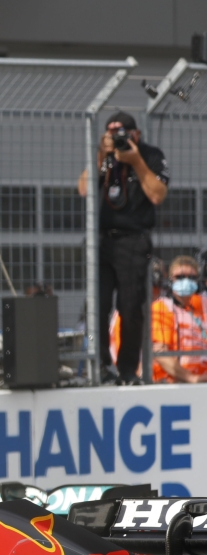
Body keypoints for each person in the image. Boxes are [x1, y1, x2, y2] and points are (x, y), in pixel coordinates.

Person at [78, 111, 169, 385]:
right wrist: (99, 157)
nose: (116, 138)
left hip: (133, 240)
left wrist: (135, 161)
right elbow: (83, 189)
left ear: (135, 134)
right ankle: (101, 364)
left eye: (121, 132)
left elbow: (157, 194)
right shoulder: (102, 159)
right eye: (111, 133)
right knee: (97, 306)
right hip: (101, 239)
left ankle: (128, 369)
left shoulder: (149, 155)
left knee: (130, 307)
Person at [149, 255, 207, 383]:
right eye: (180, 277)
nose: (186, 281)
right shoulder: (162, 307)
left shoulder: (202, 304)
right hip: (170, 383)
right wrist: (192, 378)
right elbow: (160, 353)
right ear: (169, 280)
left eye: (191, 277)